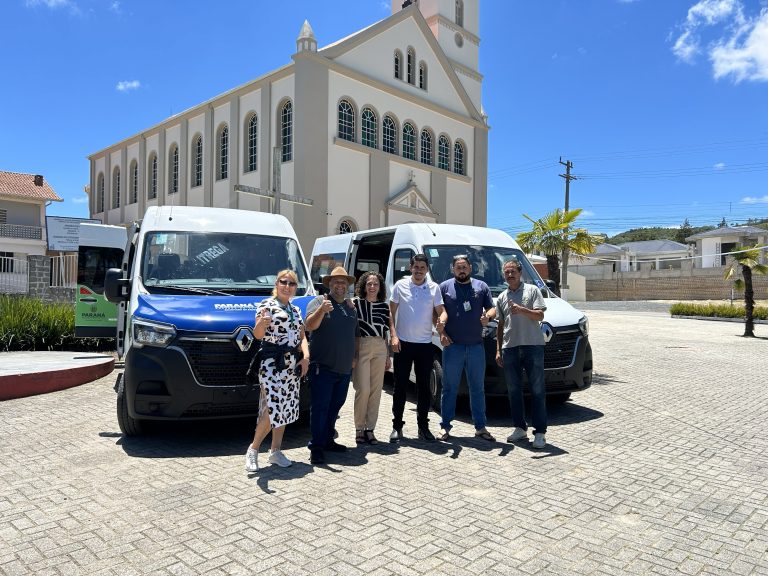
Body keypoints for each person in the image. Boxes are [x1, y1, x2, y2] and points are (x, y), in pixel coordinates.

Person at [244, 269, 309, 472]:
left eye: (291, 284)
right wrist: (262, 324)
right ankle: (253, 449)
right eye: (284, 282)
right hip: (272, 363)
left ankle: (275, 451)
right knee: (272, 408)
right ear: (277, 283)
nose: (287, 286)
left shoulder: (295, 309)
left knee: (286, 407)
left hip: (291, 364)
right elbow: (257, 334)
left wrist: (306, 357)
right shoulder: (267, 305)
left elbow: (302, 336)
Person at [436, 254, 496, 442]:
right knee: (449, 388)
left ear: (470, 268)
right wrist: (441, 333)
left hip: (476, 347)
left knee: (477, 388)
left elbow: (492, 308)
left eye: (464, 266)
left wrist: (489, 317)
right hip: (453, 347)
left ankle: (480, 427)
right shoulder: (444, 287)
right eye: (458, 267)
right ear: (453, 269)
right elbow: (437, 312)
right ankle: (445, 427)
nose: (461, 270)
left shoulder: (481, 287)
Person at [304, 266, 359, 464]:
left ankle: (328, 440)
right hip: (323, 368)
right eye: (336, 281)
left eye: (343, 282)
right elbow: (309, 326)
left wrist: (355, 357)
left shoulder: (350, 308)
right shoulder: (319, 302)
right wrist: (321, 310)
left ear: (347, 285)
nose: (340, 285)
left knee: (335, 407)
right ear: (330, 284)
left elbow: (355, 334)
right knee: (320, 408)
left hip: (344, 369)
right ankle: (316, 447)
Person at [389, 253, 446, 442]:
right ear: (410, 268)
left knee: (424, 388)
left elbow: (441, 311)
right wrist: (394, 336)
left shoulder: (434, 288)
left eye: (422, 267)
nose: (419, 270)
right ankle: (397, 426)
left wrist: (442, 321)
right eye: (416, 267)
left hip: (424, 345)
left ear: (427, 269)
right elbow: (391, 313)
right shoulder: (400, 286)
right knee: (400, 387)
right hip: (403, 343)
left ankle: (423, 427)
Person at [495, 257, 548, 449]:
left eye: (513, 272)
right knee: (514, 391)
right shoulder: (502, 297)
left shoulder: (532, 291)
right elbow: (500, 326)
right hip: (510, 348)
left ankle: (540, 432)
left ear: (520, 273)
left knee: (537, 390)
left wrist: (522, 310)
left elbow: (540, 315)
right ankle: (520, 427)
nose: (510, 275)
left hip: (532, 346)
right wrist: (498, 350)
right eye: (507, 272)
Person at [352, 271, 391, 445]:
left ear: (380, 286)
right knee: (364, 389)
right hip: (363, 346)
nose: (372, 287)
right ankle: (359, 428)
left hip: (380, 347)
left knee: (376, 390)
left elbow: (385, 332)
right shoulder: (355, 303)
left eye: (375, 284)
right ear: (364, 286)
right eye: (369, 284)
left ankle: (370, 429)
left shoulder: (384, 306)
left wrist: (388, 355)